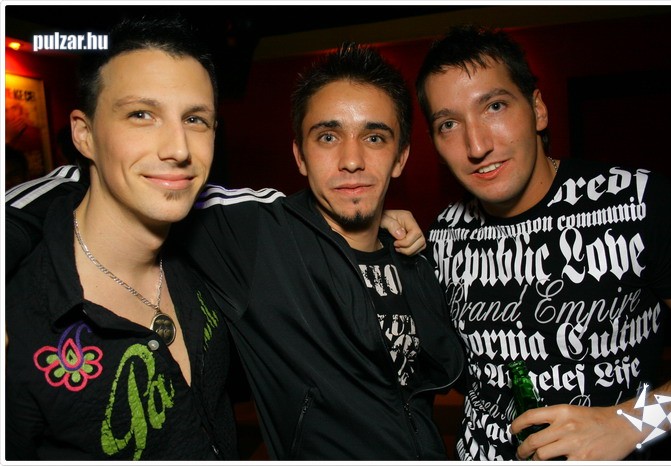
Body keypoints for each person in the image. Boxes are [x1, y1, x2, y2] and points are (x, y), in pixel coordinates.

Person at [5, 42, 462, 460]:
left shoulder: (418, 261)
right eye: (327, 136)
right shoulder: (257, 236)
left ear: (401, 157)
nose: (352, 160)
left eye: (375, 137)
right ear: (299, 156)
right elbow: (106, 178)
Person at [414, 24, 671, 461]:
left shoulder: (637, 202)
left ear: (538, 109)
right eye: (448, 124)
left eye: (494, 106)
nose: (477, 144)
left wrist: (634, 421)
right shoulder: (441, 234)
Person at [4, 16, 239, 460]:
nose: (178, 148)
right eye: (141, 115)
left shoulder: (212, 255)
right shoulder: (20, 319)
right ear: (85, 135)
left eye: (195, 119)